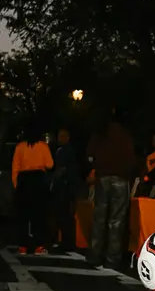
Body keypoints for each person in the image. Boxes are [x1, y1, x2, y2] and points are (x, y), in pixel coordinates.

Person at [86, 108, 136, 270]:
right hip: (121, 178)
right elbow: (131, 159)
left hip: (103, 177)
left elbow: (90, 155)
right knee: (117, 220)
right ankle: (112, 258)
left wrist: (96, 166)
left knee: (99, 217)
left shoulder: (100, 134)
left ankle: (95, 254)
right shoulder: (125, 135)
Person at [11, 121, 53, 255]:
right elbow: (50, 164)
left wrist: (16, 185)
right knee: (39, 214)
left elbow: (15, 167)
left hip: (24, 180)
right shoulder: (43, 146)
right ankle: (39, 245)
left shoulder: (20, 147)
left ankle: (22, 246)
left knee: (23, 215)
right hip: (38, 180)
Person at [51, 127, 80, 252]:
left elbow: (68, 168)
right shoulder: (59, 150)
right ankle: (64, 240)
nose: (60, 139)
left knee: (64, 214)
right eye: (59, 136)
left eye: (63, 136)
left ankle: (67, 241)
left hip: (65, 186)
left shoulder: (68, 150)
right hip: (62, 185)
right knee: (61, 214)